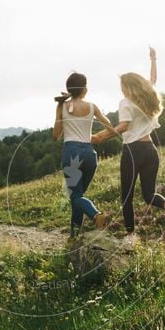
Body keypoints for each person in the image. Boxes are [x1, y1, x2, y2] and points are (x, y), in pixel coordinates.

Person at [92, 47, 165, 238]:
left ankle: (130, 234)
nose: (121, 89)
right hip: (150, 150)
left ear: (127, 87)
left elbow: (124, 126)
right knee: (149, 194)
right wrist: (154, 59)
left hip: (133, 151)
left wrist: (101, 136)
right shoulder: (147, 98)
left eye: (122, 86)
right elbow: (153, 81)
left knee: (127, 196)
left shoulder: (125, 102)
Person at [53, 72, 118, 237]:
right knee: (78, 196)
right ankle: (75, 236)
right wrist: (99, 137)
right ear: (85, 89)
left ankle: (96, 215)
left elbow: (55, 136)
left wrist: (59, 110)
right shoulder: (92, 106)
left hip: (72, 153)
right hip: (90, 154)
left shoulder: (62, 107)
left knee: (75, 196)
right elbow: (110, 127)